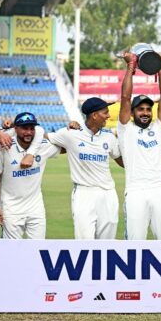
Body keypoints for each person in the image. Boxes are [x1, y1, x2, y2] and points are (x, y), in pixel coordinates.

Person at [117, 50, 161, 240]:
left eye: (148, 109)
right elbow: (125, 98)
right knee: (135, 241)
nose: (145, 112)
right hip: (135, 191)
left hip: (159, 189)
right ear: (132, 112)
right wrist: (130, 67)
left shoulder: (159, 128)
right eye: (140, 109)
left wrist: (159, 67)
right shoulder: (126, 129)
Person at [46, 97, 123, 239]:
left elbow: (122, 162)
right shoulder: (70, 133)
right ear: (94, 115)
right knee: (84, 243)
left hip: (108, 194)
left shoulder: (109, 137)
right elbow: (42, 136)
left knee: (107, 244)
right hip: (84, 193)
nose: (108, 116)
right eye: (105, 112)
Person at [0, 112, 62, 239]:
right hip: (11, 209)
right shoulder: (4, 147)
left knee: (37, 249)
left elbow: (66, 147)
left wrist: (73, 129)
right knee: (11, 251)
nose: (28, 132)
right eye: (24, 128)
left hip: (36, 208)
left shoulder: (42, 146)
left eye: (31, 128)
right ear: (15, 129)